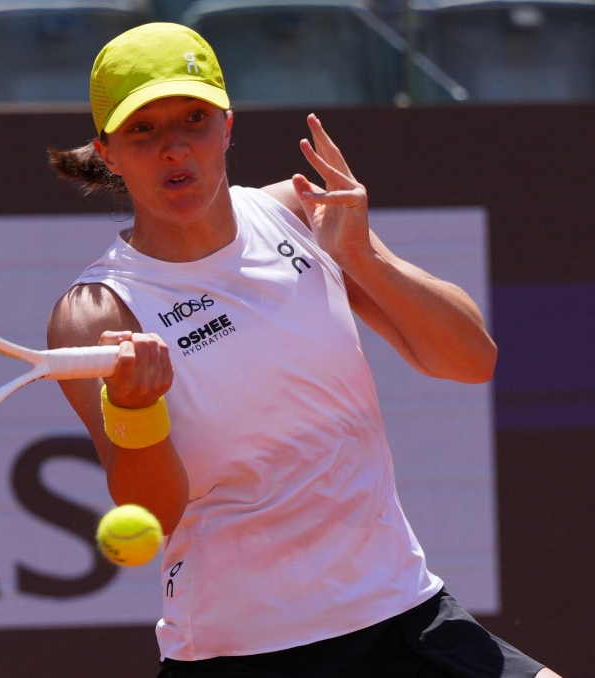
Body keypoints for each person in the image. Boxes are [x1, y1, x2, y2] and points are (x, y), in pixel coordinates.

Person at [46, 22, 560, 678]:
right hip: (242, 652)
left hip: (399, 611)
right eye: (143, 130)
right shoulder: (95, 313)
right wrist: (137, 410)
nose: (175, 148)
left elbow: (470, 360)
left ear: (227, 128)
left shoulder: (299, 213)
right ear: (109, 153)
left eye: (194, 119)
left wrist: (362, 256)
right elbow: (152, 515)